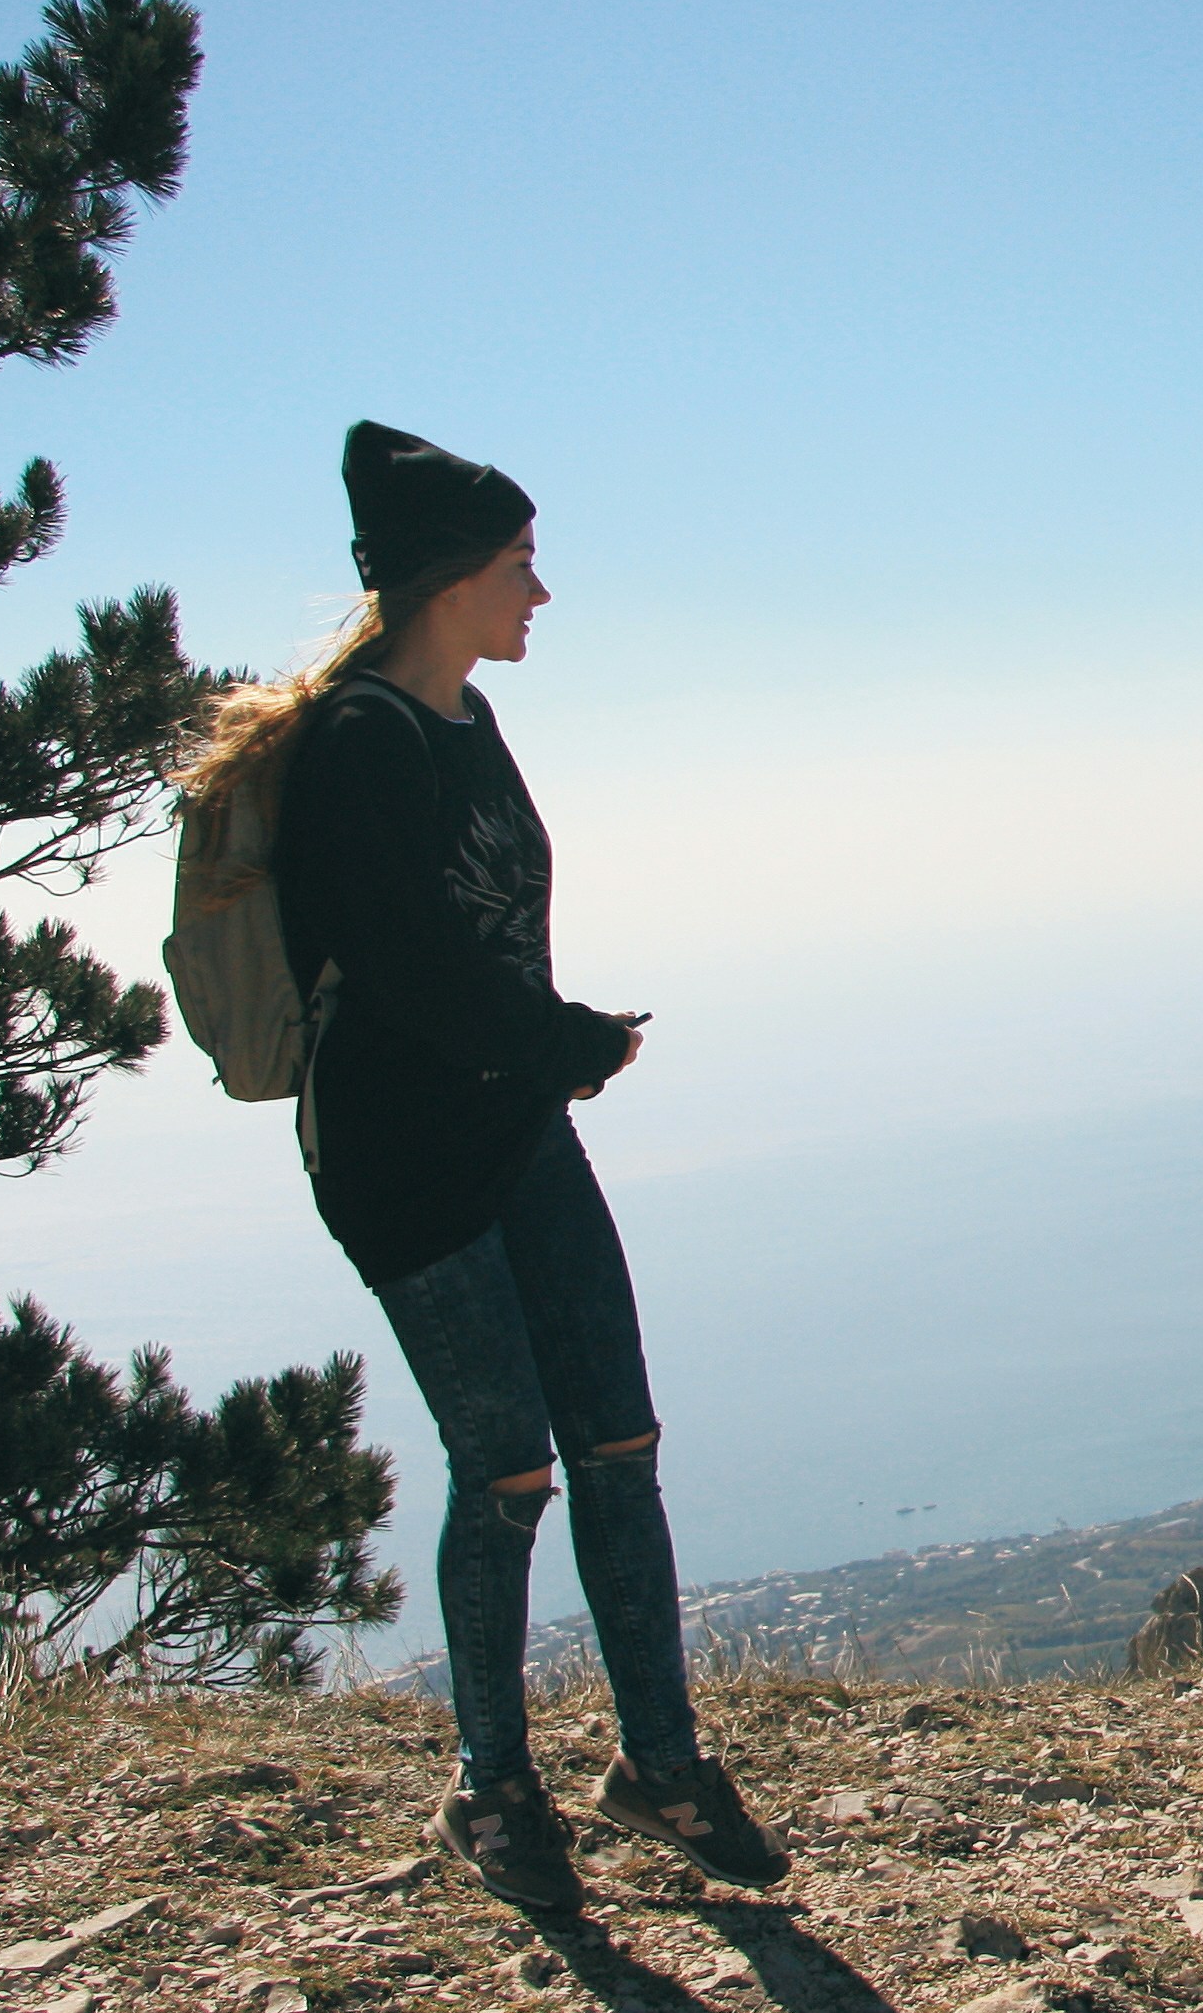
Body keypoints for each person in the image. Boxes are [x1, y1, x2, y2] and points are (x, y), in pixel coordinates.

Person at [180, 422, 786, 1911]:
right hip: (407, 1165)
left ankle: (660, 1767)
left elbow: (476, 950)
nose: (542, 592)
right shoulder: (354, 750)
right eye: (521, 564)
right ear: (452, 578)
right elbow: (406, 969)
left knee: (619, 1445)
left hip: (516, 1126)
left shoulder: (458, 721)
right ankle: (492, 1791)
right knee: (508, 1465)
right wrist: (564, 1036)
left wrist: (552, 1050)